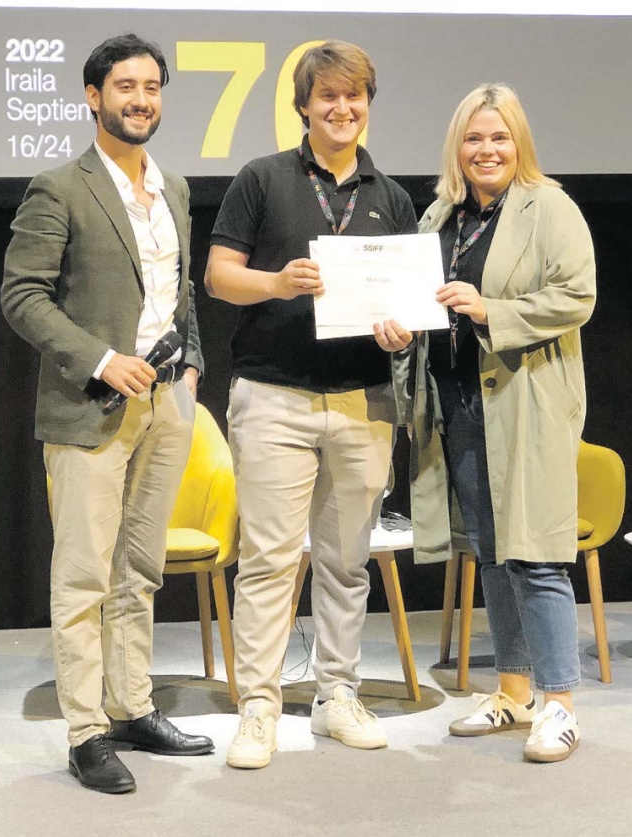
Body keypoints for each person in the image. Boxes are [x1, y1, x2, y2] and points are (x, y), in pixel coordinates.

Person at [1, 33, 212, 794]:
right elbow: (22, 295)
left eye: (151, 87)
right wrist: (100, 358)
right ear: (94, 98)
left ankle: (131, 707)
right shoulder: (59, 187)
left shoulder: (175, 187)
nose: (141, 99)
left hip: (167, 403)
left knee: (140, 570)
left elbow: (180, 291)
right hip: (91, 406)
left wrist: (193, 362)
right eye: (125, 86)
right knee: (84, 575)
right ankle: (86, 731)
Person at [205, 41, 417, 770]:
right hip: (274, 396)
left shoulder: (392, 198)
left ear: (367, 105)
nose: (342, 108)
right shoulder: (261, 178)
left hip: (364, 400)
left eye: (354, 96)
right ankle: (259, 707)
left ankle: (337, 696)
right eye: (328, 96)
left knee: (347, 563)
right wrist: (276, 283)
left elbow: (405, 302)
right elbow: (219, 276)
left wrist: (401, 330)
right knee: (268, 561)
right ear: (303, 105)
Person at [374, 83, 596, 764]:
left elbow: (578, 295)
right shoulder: (440, 215)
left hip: (526, 403)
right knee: (493, 553)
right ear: (457, 147)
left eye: (499, 137)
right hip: (459, 403)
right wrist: (398, 331)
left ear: (519, 142)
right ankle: (514, 692)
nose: (487, 149)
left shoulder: (549, 207)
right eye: (474, 138)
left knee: (537, 553)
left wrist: (489, 308)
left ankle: (560, 704)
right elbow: (417, 302)